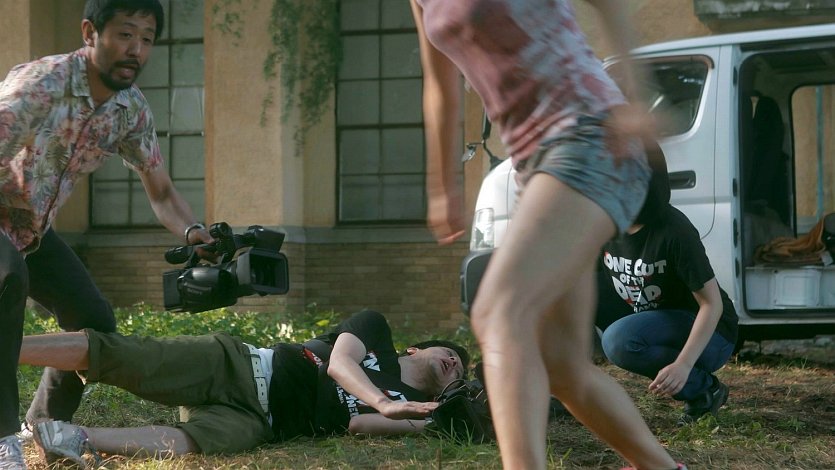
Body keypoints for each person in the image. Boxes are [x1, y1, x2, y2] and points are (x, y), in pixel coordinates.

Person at [409, 1, 686, 469]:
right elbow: (439, 84)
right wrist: (442, 184)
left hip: (592, 135)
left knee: (499, 312)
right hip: (533, 165)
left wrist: (637, 98)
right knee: (562, 366)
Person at [0, 1, 213, 467]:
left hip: (31, 231)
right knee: (8, 277)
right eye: (125, 34)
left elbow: (161, 191)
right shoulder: (41, 85)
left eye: (147, 39)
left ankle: (44, 424)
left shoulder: (128, 109)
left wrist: (193, 231)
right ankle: (1, 440)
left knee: (92, 318)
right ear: (90, 33)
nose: (136, 49)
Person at [18, 309, 468, 467]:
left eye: (459, 370)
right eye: (450, 352)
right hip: (241, 367)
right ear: (417, 347)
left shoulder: (414, 406)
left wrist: (433, 419)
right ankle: (11, 348)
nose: (454, 362)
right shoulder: (375, 331)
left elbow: (356, 425)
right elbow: (339, 363)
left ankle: (72, 437)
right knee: (125, 355)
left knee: (197, 442)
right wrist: (383, 401)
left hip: (261, 423)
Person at [598, 201, 739, 425]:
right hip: (658, 324)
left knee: (618, 340)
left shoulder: (674, 228)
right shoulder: (601, 223)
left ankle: (704, 390)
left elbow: (712, 304)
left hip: (711, 335)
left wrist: (683, 364)